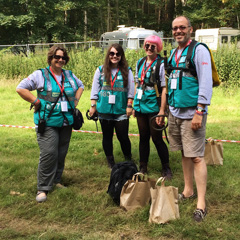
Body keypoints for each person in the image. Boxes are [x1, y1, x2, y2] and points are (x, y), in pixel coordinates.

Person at [16, 45, 84, 203]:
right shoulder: (40, 74)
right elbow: (21, 88)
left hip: (66, 121)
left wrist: (75, 100)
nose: (60, 60)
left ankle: (57, 180)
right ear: (51, 58)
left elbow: (80, 86)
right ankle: (43, 187)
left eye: (63, 58)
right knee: (49, 154)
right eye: (57, 57)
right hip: (47, 122)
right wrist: (35, 100)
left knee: (61, 153)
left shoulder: (69, 74)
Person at [163, 16, 213, 222]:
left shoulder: (199, 50)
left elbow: (205, 81)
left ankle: (201, 203)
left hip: (192, 112)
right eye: (175, 28)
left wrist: (200, 111)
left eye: (182, 27)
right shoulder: (174, 53)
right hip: (175, 112)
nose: (178, 31)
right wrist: (165, 112)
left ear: (190, 29)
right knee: (184, 153)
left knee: (197, 156)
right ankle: (188, 190)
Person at [132, 35, 172, 179]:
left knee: (156, 138)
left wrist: (162, 111)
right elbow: (138, 84)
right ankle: (143, 166)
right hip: (141, 105)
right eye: (147, 45)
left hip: (154, 105)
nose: (149, 48)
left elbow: (164, 89)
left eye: (153, 46)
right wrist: (134, 105)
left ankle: (166, 167)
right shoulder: (140, 62)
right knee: (143, 137)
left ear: (158, 48)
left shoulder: (161, 63)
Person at [89, 43, 135, 168]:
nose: (115, 56)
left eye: (117, 54)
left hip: (121, 110)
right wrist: (93, 106)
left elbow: (131, 91)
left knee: (123, 137)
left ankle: (128, 160)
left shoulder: (127, 70)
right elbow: (94, 90)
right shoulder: (100, 70)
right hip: (104, 110)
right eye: (112, 53)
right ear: (108, 54)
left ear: (121, 56)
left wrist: (129, 106)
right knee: (107, 137)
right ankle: (111, 162)